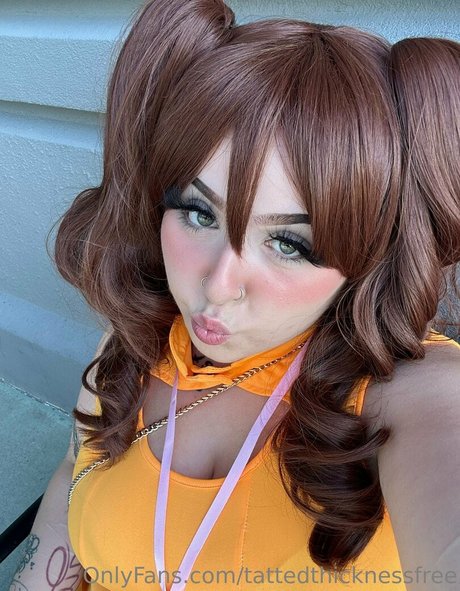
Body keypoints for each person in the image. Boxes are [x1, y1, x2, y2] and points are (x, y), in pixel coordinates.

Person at [9, 1, 460, 590]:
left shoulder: (403, 398)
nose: (218, 286)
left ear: (372, 252)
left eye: (291, 244)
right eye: (199, 212)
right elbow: (73, 473)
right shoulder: (132, 342)